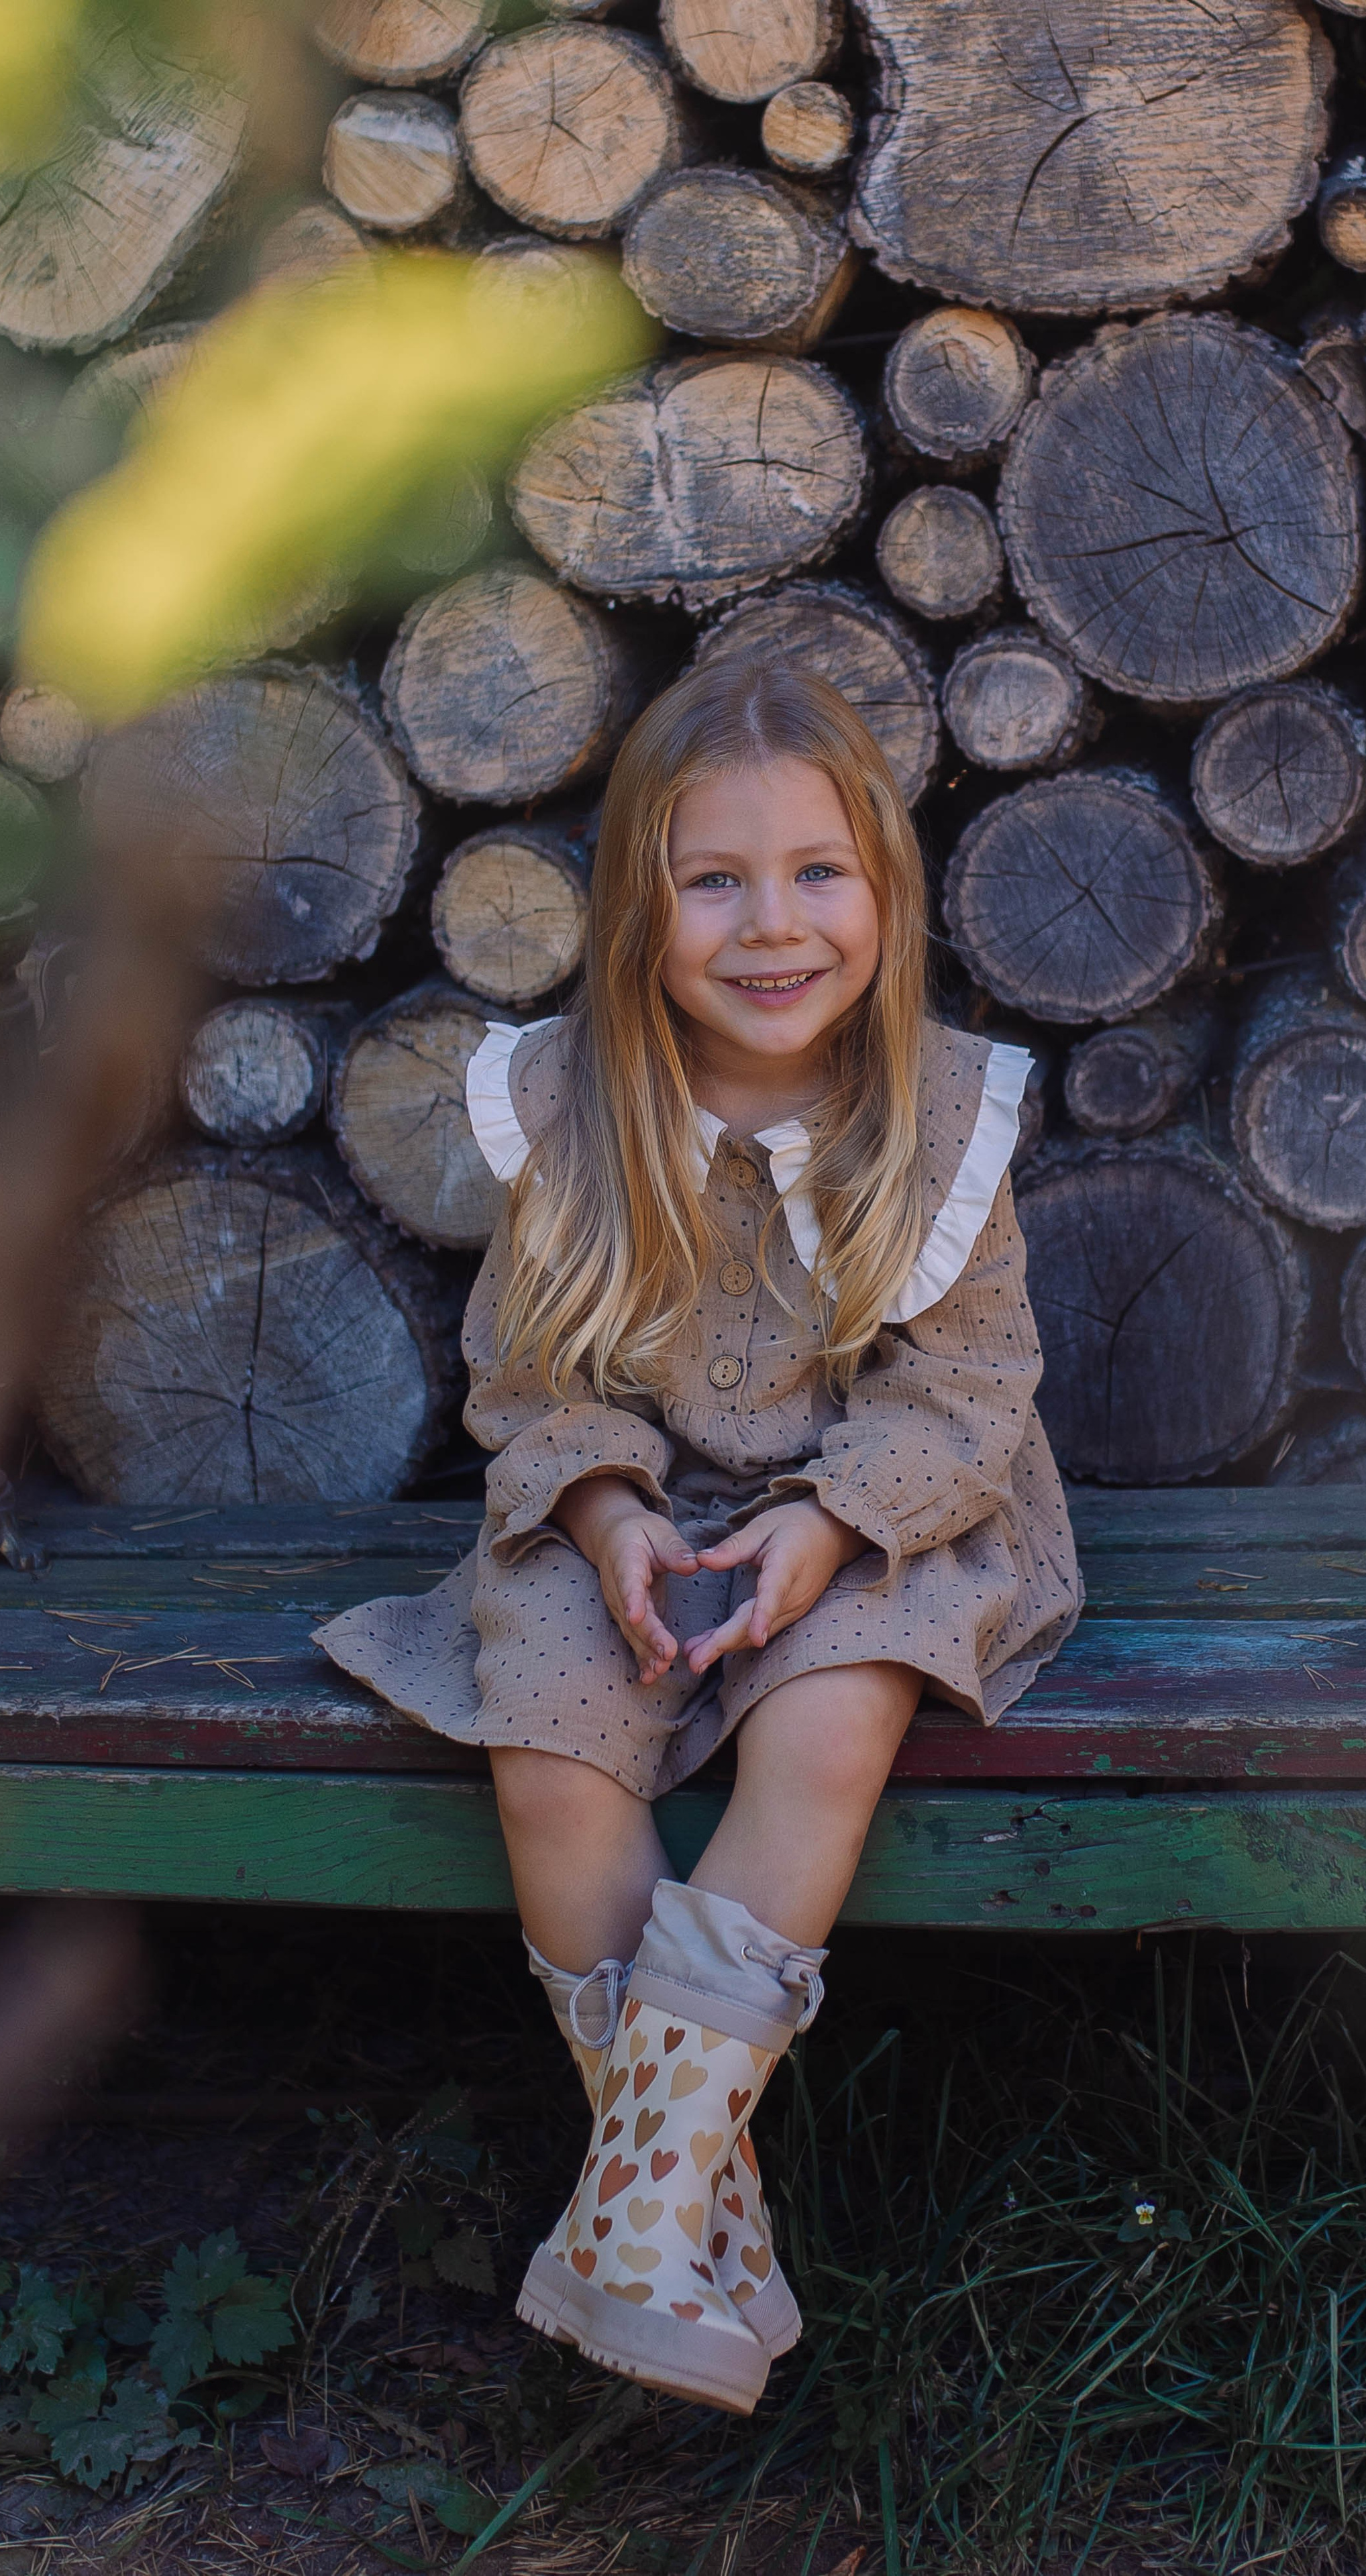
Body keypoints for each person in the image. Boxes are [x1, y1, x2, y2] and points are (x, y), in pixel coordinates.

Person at [317, 657, 1081, 2414]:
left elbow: (965, 1399)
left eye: (820, 873)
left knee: (831, 1720)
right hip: (633, 1512)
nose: (773, 925)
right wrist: (603, 1517)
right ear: (637, 910)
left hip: (891, 1515)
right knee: (555, 1745)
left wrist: (827, 1525)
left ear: (883, 893)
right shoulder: (576, 1111)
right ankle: (677, 2214)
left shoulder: (942, 1119)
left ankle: (631, 2213)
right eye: (713, 878)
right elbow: (529, 1376)